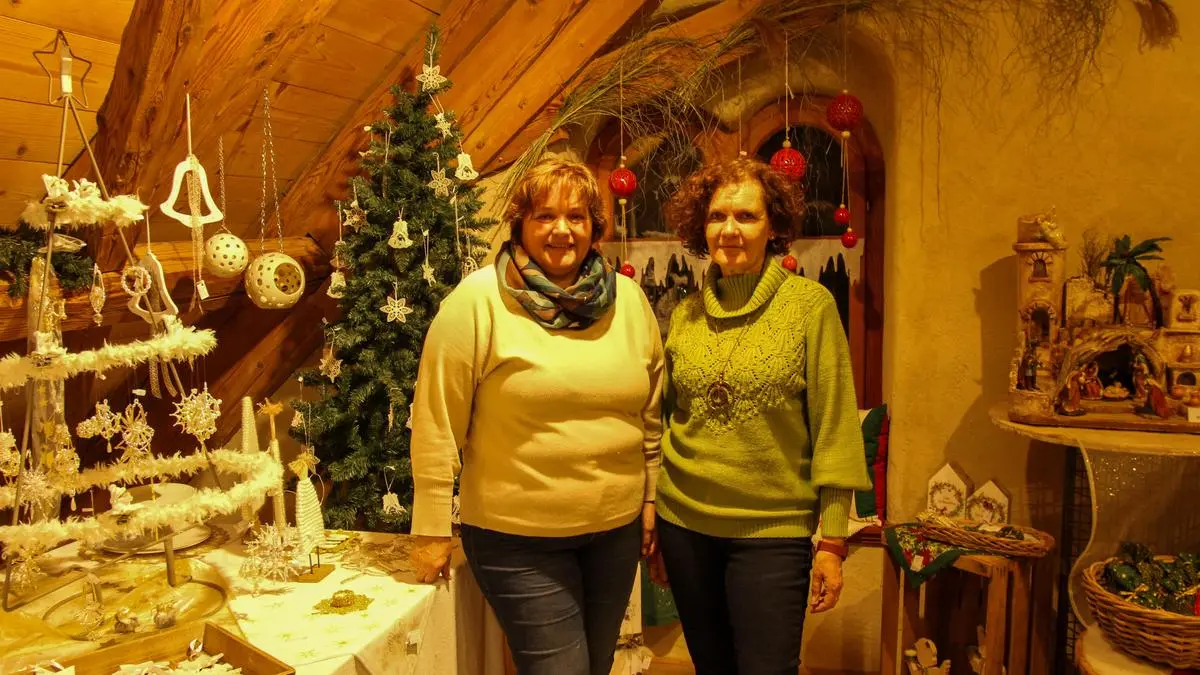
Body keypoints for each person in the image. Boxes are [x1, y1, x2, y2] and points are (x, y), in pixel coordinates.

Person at [408, 158, 664, 675]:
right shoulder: (477, 301)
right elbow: (437, 417)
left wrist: (650, 496)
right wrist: (431, 528)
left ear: (594, 226)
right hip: (517, 540)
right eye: (545, 215)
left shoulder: (629, 301)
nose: (562, 230)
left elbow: (651, 411)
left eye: (576, 216)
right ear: (521, 223)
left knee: (595, 666)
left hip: (614, 533)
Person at [648, 157, 872, 675]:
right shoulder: (685, 313)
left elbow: (835, 426)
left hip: (772, 534)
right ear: (701, 227)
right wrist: (657, 519)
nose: (729, 229)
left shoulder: (810, 307)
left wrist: (832, 541)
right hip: (685, 528)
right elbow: (665, 420)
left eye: (746, 216)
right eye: (717, 216)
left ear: (773, 227)